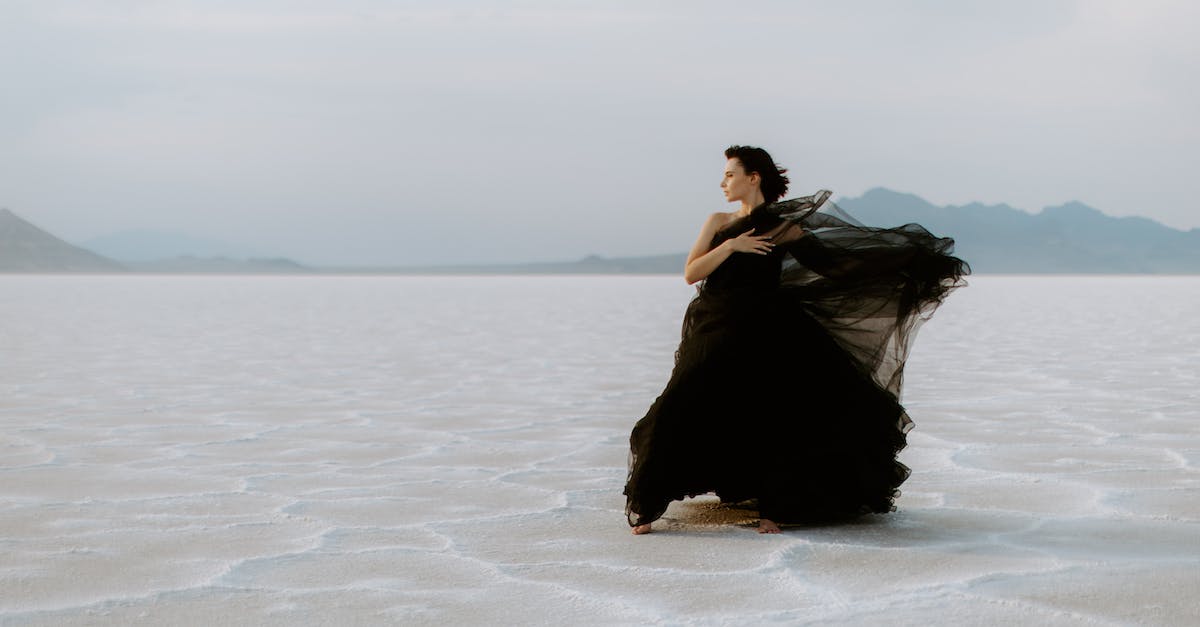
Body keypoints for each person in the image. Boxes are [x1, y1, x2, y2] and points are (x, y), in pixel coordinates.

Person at [623, 145, 969, 535]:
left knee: (775, 415)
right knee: (681, 402)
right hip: (715, 325)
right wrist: (730, 246)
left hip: (767, 328)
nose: (723, 183)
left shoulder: (783, 227)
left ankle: (775, 507)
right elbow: (691, 272)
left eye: (730, 175)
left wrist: (906, 264)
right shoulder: (719, 222)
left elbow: (835, 266)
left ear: (754, 178)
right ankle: (649, 505)